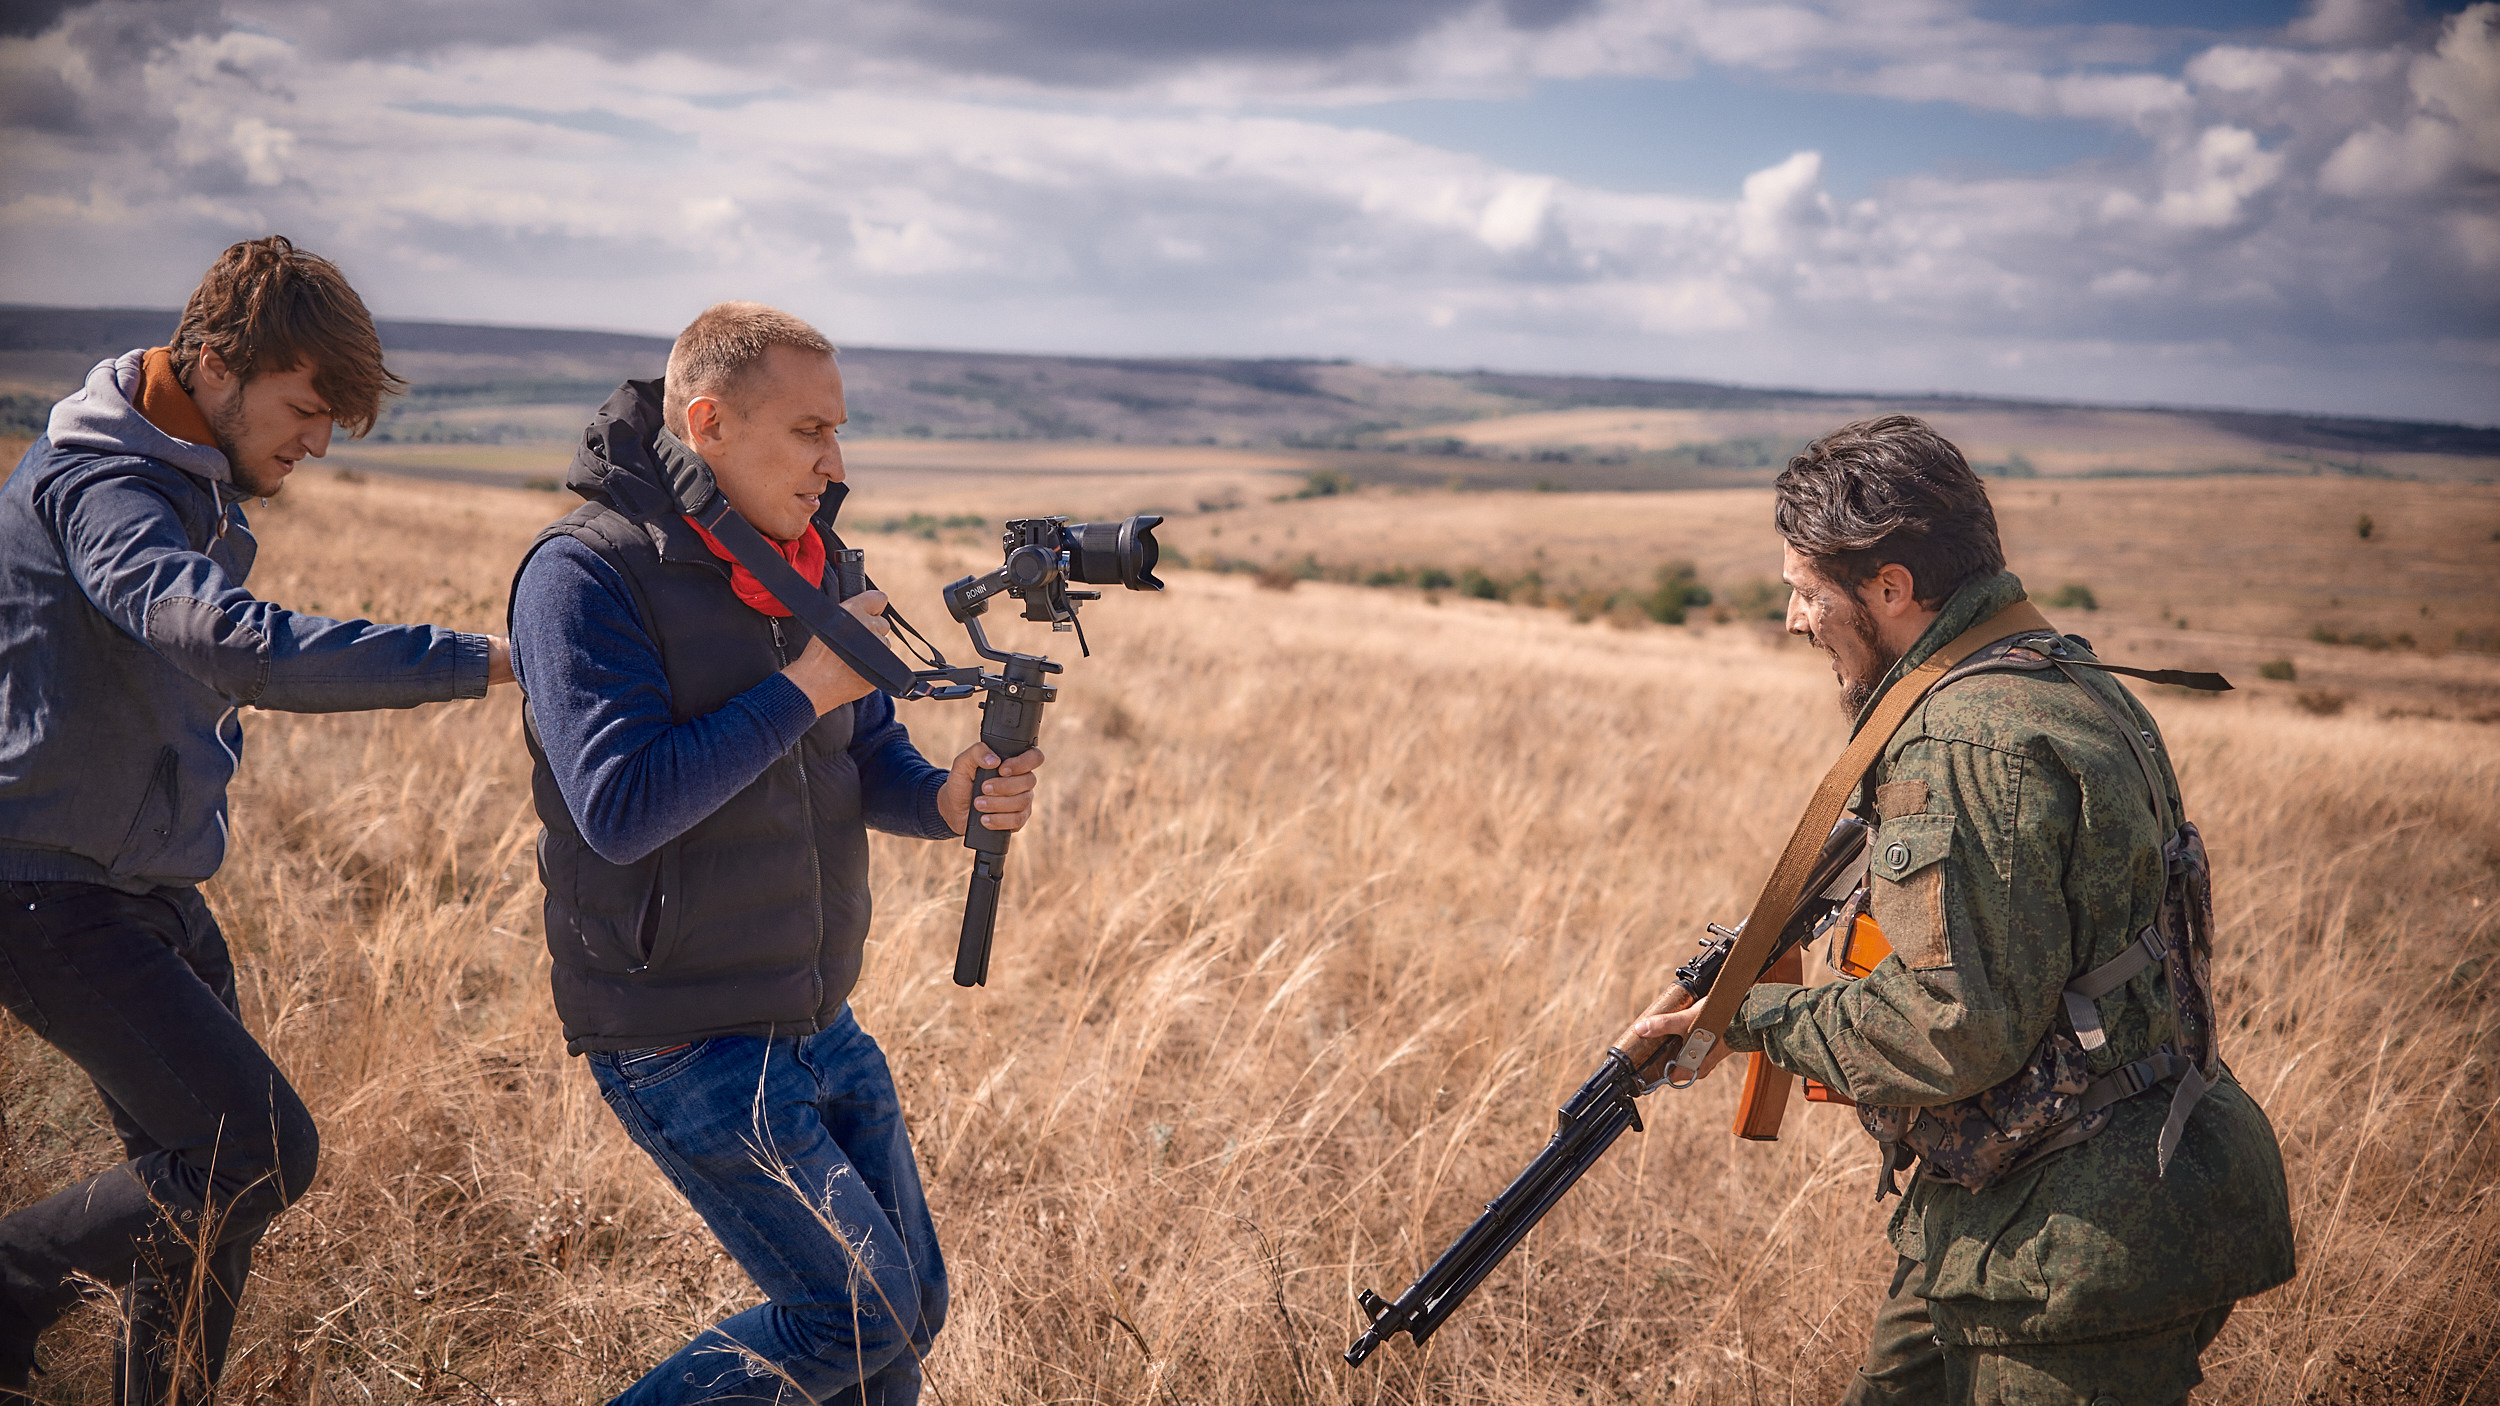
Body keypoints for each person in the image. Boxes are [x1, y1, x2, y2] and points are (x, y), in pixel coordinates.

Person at [1636, 415, 2295, 1405]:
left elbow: (1956, 1027)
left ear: (1890, 588)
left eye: (1806, 593)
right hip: (2031, 1192)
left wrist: (1750, 1021)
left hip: (2072, 1239)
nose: (1792, 620)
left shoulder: (1963, 741)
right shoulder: (2056, 671)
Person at [0, 236, 512, 1400]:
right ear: (221, 360)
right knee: (257, 1153)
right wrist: (485, 657)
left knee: (201, 1218)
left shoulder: (185, 476)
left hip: (151, 894)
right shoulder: (107, 485)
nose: (320, 441)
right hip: (48, 892)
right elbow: (232, 643)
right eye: (308, 405)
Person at [508, 301, 1042, 1404]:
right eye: (808, 433)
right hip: (685, 1033)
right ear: (706, 422)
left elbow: (863, 745)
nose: (833, 462)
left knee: (905, 1311)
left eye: (836, 432)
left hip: (816, 1014)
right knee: (854, 1311)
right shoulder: (584, 575)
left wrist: (942, 796)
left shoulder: (810, 562)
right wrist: (805, 683)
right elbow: (619, 804)